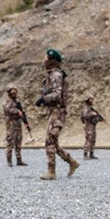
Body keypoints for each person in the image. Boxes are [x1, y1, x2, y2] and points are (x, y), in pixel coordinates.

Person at [35, 49, 79, 180]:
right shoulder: (51, 75)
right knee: (52, 141)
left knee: (49, 141)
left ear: (51, 60)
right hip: (54, 112)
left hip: (58, 112)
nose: (43, 60)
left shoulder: (55, 75)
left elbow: (56, 95)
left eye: (45, 58)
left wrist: (43, 99)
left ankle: (51, 172)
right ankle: (72, 162)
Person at [3, 84, 27, 167]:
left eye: (15, 92)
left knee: (18, 142)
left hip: (18, 124)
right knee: (10, 142)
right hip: (11, 124)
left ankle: (19, 160)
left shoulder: (17, 102)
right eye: (12, 92)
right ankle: (9, 161)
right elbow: (7, 109)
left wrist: (25, 121)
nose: (14, 94)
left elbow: (22, 112)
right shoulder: (8, 102)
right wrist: (17, 111)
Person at [80, 95, 104, 160]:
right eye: (91, 99)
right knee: (88, 139)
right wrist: (92, 114)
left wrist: (98, 118)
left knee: (93, 140)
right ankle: (85, 154)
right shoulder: (86, 108)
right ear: (88, 100)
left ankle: (91, 154)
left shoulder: (91, 108)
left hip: (93, 126)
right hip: (88, 126)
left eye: (92, 99)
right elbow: (85, 116)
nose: (92, 101)